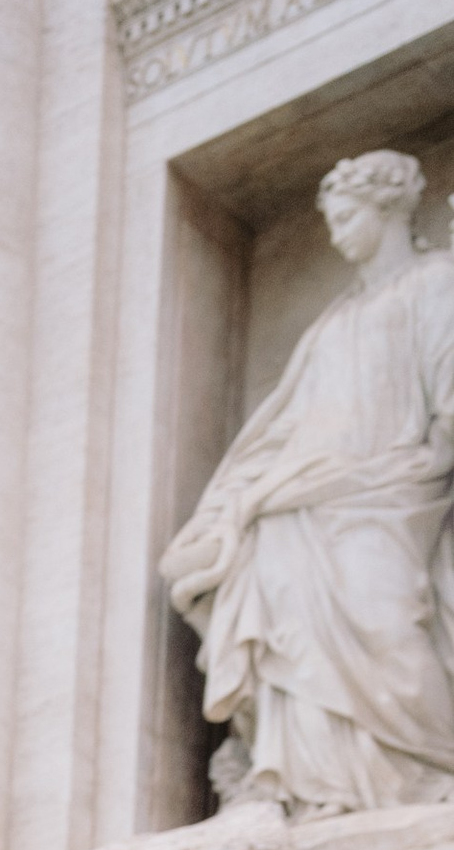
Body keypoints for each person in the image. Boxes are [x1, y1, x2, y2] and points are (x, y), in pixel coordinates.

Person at [164, 149, 454, 815]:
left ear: (387, 210)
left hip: (394, 489)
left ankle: (427, 771)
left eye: (348, 218)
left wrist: (420, 461)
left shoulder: (436, 282)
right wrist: (235, 503)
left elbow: (448, 399)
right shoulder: (336, 321)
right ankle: (315, 787)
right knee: (282, 602)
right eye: (330, 220)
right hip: (307, 497)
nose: (336, 234)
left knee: (387, 623)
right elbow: (286, 425)